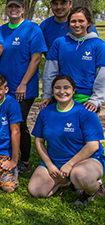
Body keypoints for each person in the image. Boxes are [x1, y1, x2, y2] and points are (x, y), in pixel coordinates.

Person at [29, 75, 104, 204]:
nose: (62, 91)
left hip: (86, 160)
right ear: (52, 91)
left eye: (66, 88)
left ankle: (93, 191)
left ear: (74, 90)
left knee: (81, 175)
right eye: (57, 88)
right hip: (56, 161)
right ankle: (66, 181)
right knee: (36, 190)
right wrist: (49, 164)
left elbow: (93, 146)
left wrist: (69, 165)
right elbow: (38, 141)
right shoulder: (45, 113)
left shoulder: (86, 112)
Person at [0, 0, 47, 174]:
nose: (13, 9)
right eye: (10, 6)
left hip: (23, 89)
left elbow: (36, 59)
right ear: (6, 8)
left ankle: (24, 161)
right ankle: (7, 156)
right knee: (5, 123)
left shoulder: (32, 29)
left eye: (17, 7)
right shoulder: (2, 29)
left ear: (23, 9)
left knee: (18, 124)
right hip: (5, 88)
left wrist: (23, 83)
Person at [41, 7, 105, 113]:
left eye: (81, 21)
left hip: (87, 101)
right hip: (62, 97)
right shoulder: (59, 43)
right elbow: (50, 73)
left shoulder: (99, 45)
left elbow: (102, 76)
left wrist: (96, 100)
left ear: (88, 23)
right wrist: (47, 95)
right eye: (73, 21)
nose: (77, 24)